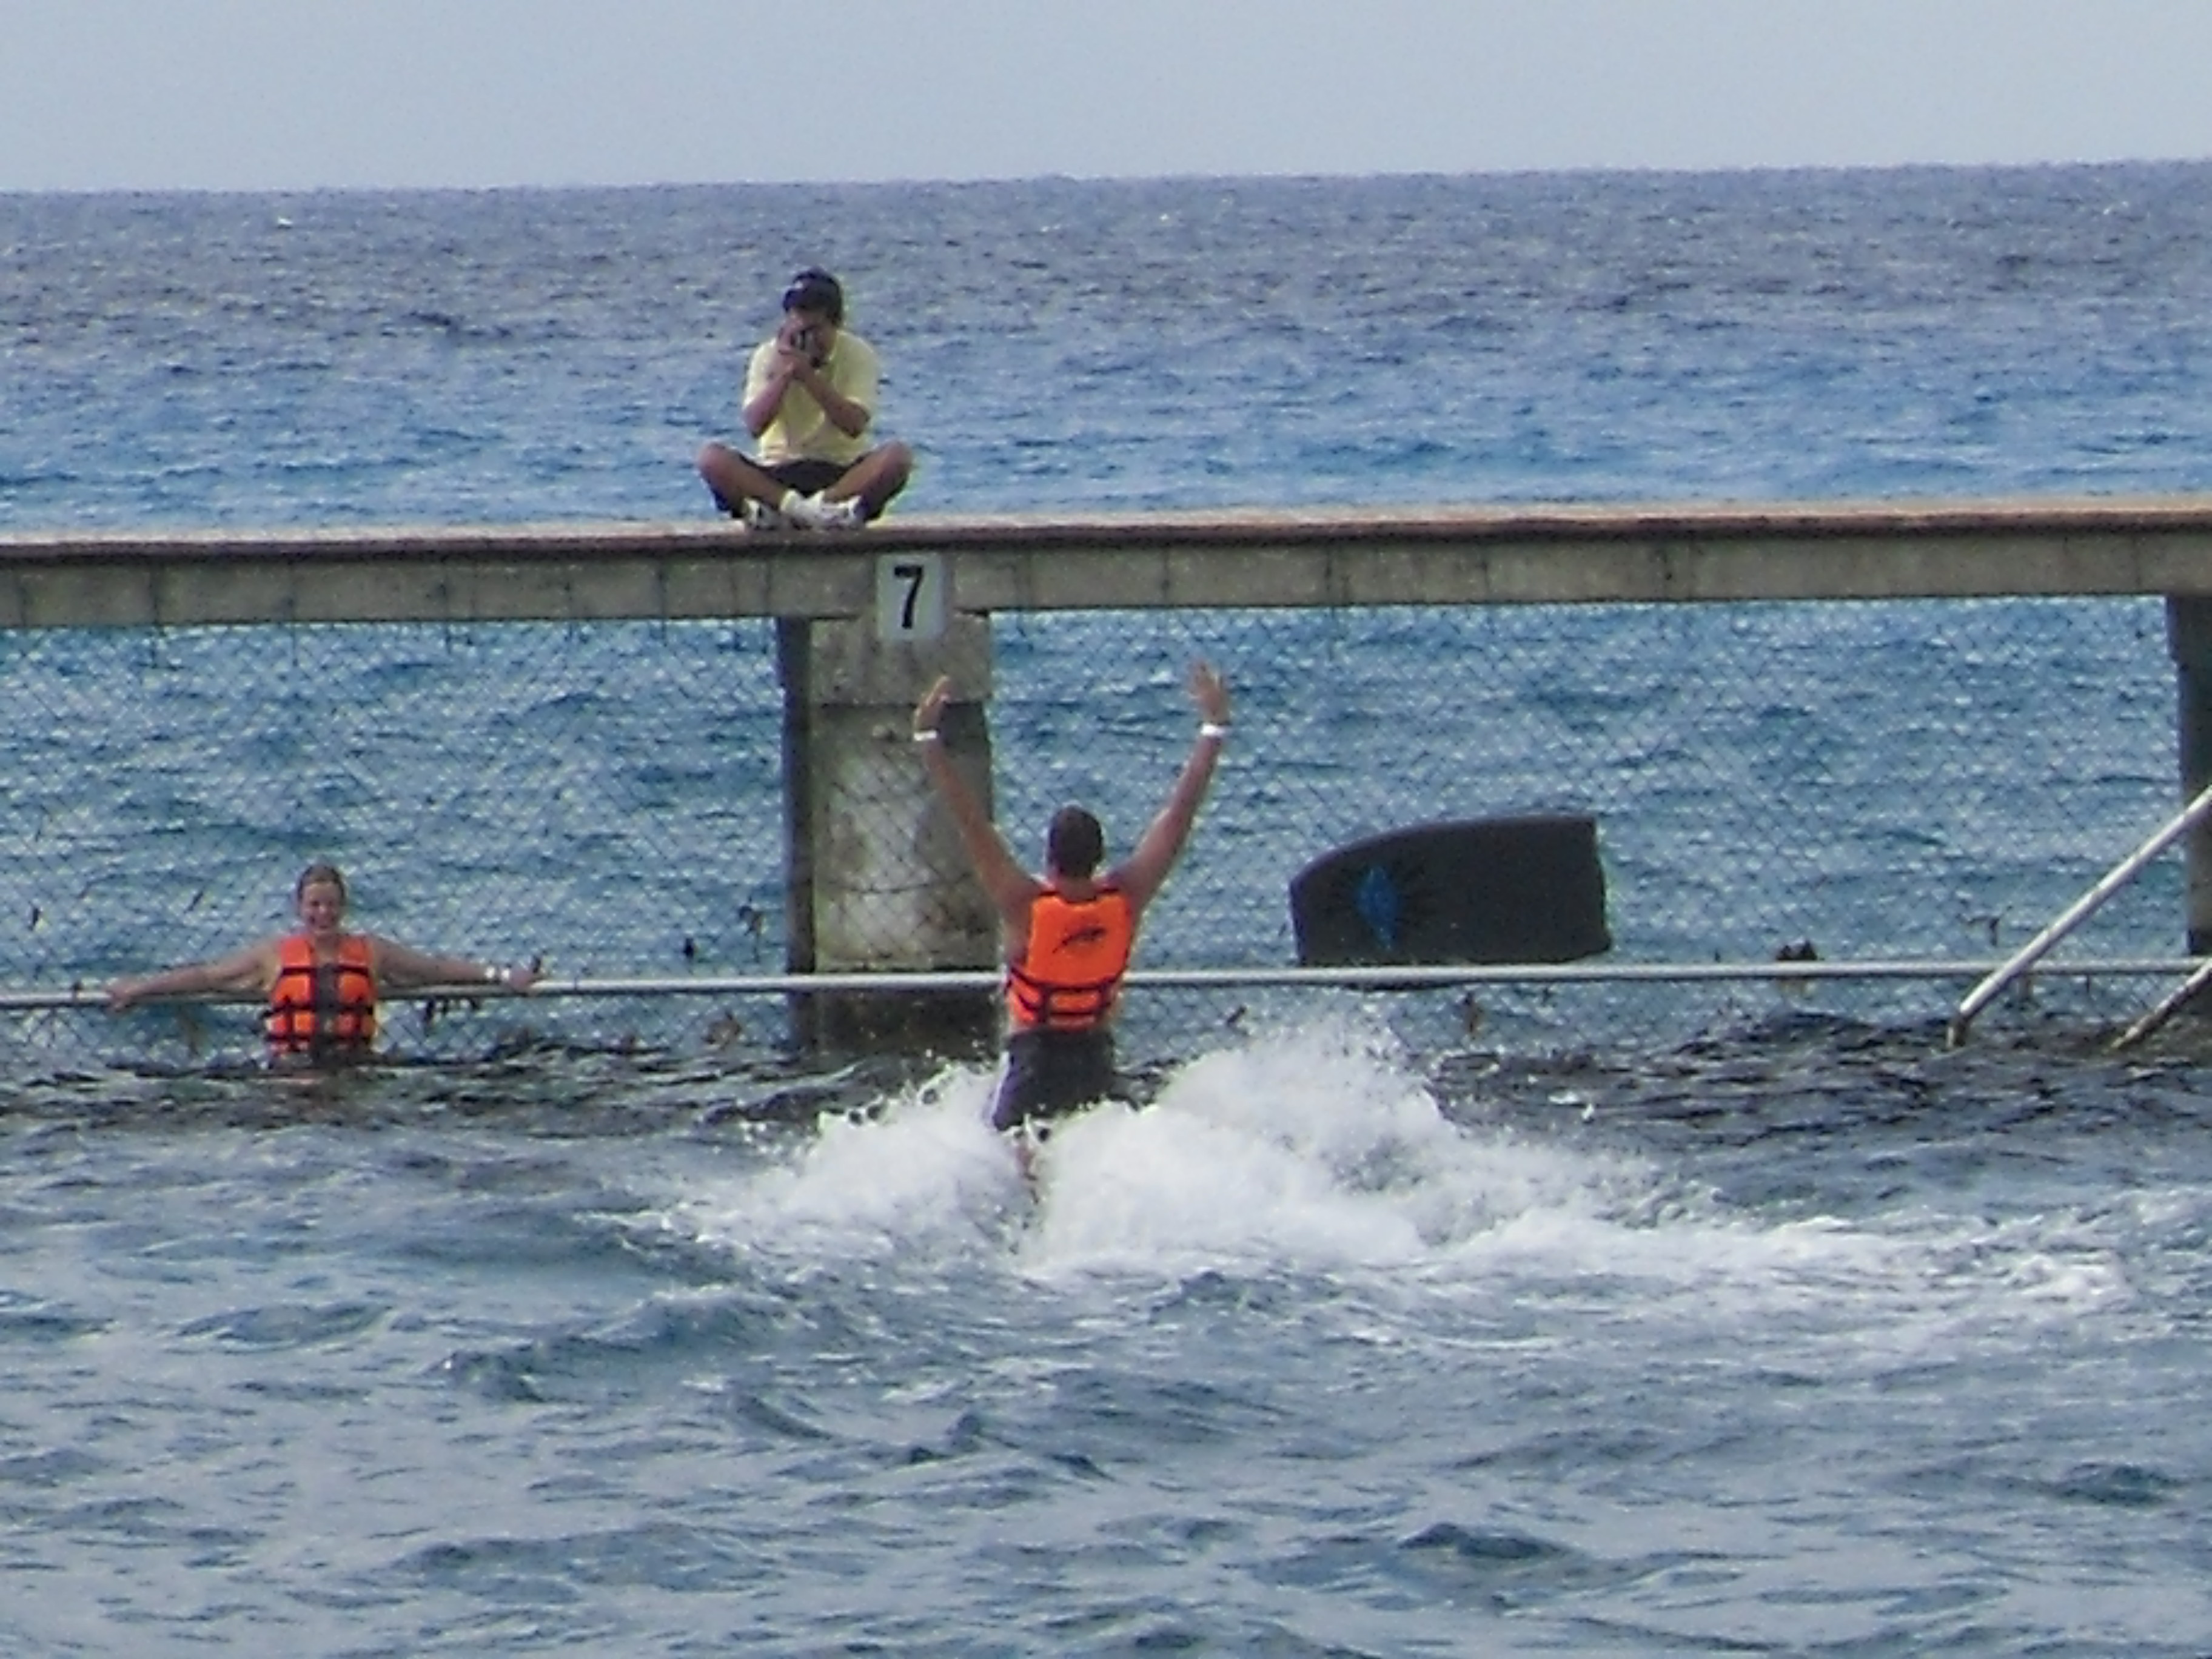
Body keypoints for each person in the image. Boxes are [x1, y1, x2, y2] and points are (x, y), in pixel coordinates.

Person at [911, 662, 1232, 1135]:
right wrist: (1213, 728)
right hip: (1095, 1058)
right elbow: (1179, 815)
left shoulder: (1023, 904)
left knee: (1013, 1149)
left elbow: (971, 823)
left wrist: (927, 740)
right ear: (1100, 857)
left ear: (1049, 859)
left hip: (1034, 1064)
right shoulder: (1127, 896)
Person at [107, 862, 540, 1064]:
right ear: (300, 908)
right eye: (314, 905)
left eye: (331, 905)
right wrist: (139, 989)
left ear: (343, 907)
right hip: (291, 1073)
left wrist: (501, 975)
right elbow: (207, 976)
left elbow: (436, 970)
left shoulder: (372, 951)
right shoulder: (273, 955)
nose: (323, 914)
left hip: (356, 1068)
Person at [695, 267, 913, 530]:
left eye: (815, 330)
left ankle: (829, 508)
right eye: (799, 329)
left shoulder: (858, 354)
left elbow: (854, 424)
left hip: (839, 469)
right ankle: (790, 510)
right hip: (779, 469)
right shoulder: (768, 356)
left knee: (897, 458)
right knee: (712, 459)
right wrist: (785, 375)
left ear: (836, 324)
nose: (806, 339)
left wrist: (809, 377)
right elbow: (755, 425)